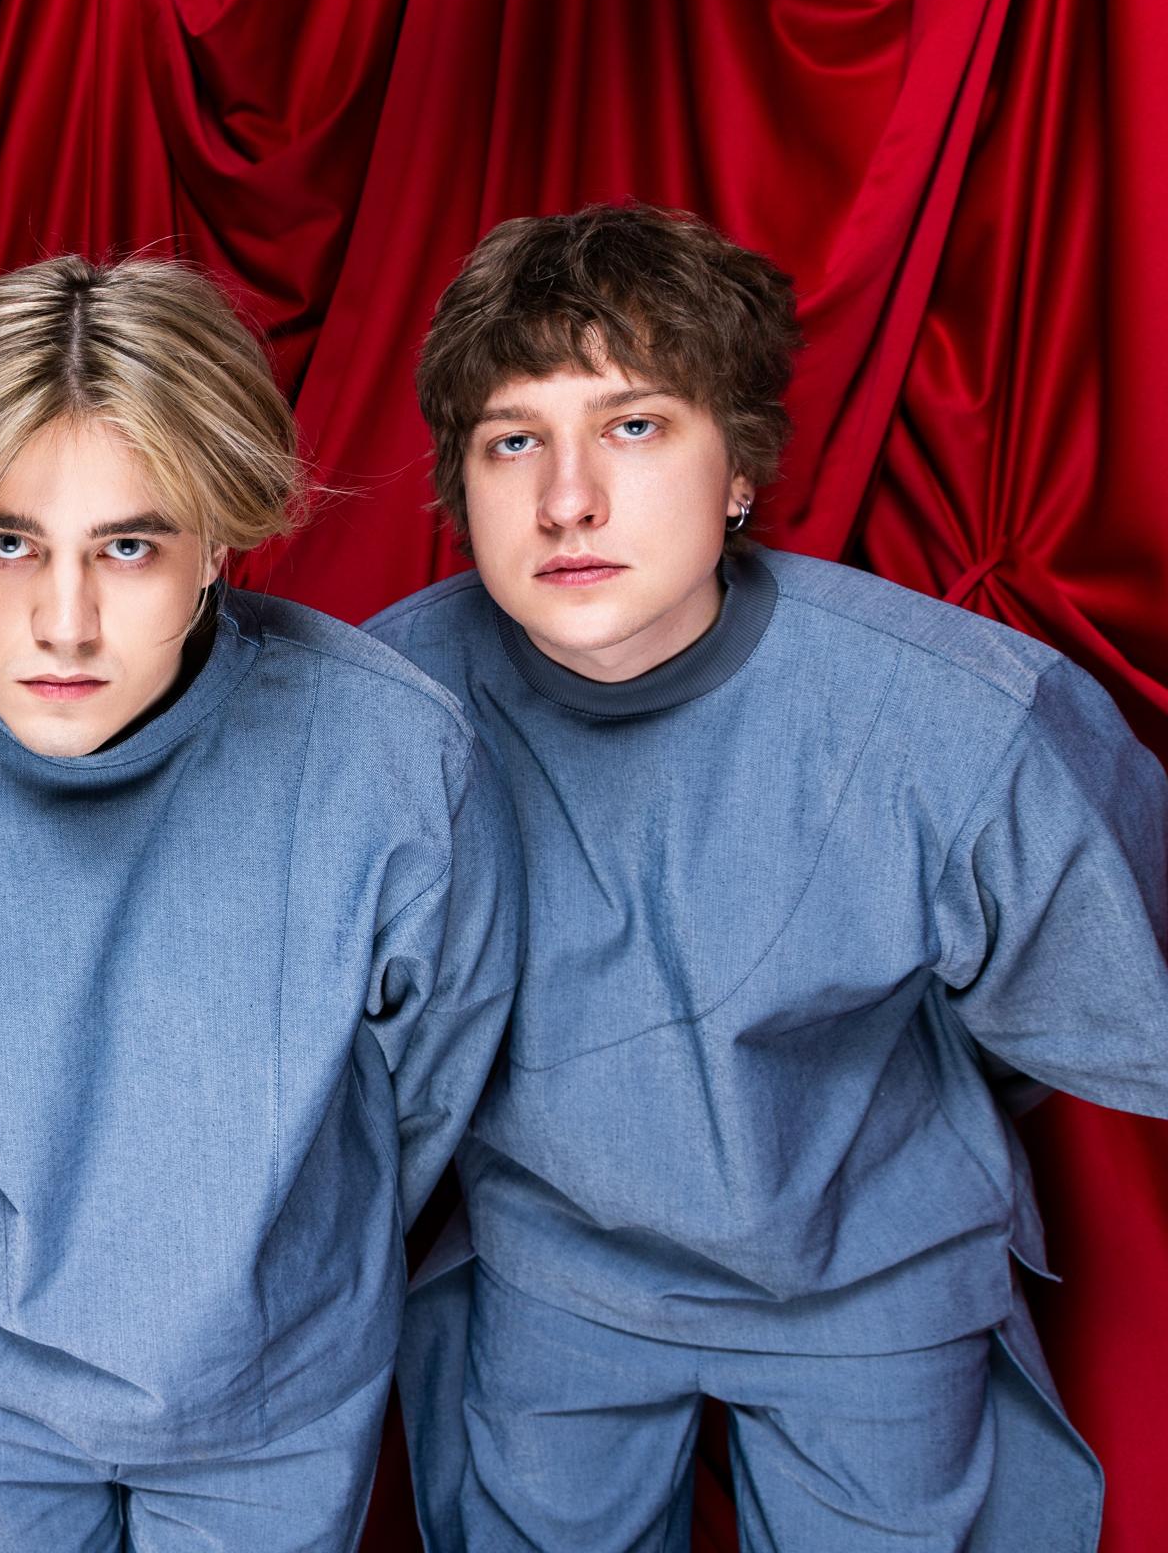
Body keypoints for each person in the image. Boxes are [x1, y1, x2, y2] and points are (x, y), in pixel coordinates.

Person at [366, 201, 1168, 1552]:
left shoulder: (959, 716)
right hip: (556, 1272)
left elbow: (1101, 987)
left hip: (871, 1271)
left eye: (633, 426)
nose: (567, 500)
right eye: (514, 441)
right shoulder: (386, 712)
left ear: (738, 468)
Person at [0, 254, 522, 1550]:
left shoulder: (392, 759)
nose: (65, 622)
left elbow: (428, 1083)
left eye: (127, 545)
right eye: (7, 542)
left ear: (215, 541)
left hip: (278, 1388)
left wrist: (271, 1245)